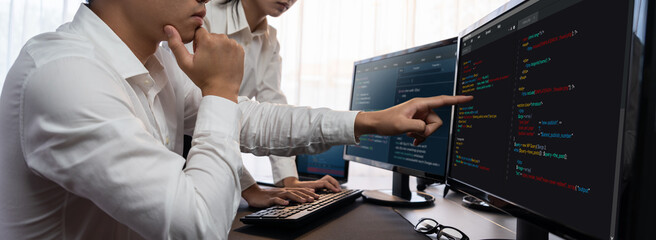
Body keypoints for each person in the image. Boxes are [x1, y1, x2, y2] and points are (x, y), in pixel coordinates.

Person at [0, 0, 472, 239]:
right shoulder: (67, 76)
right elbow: (198, 226)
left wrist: (368, 121)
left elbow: (248, 118)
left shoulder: (155, 61)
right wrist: (220, 88)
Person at [199, 0, 342, 192]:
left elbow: (274, 105)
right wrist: (250, 189)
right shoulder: (204, 16)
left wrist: (289, 180)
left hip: (220, 161)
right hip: (188, 158)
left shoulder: (270, 40)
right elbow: (198, 117)